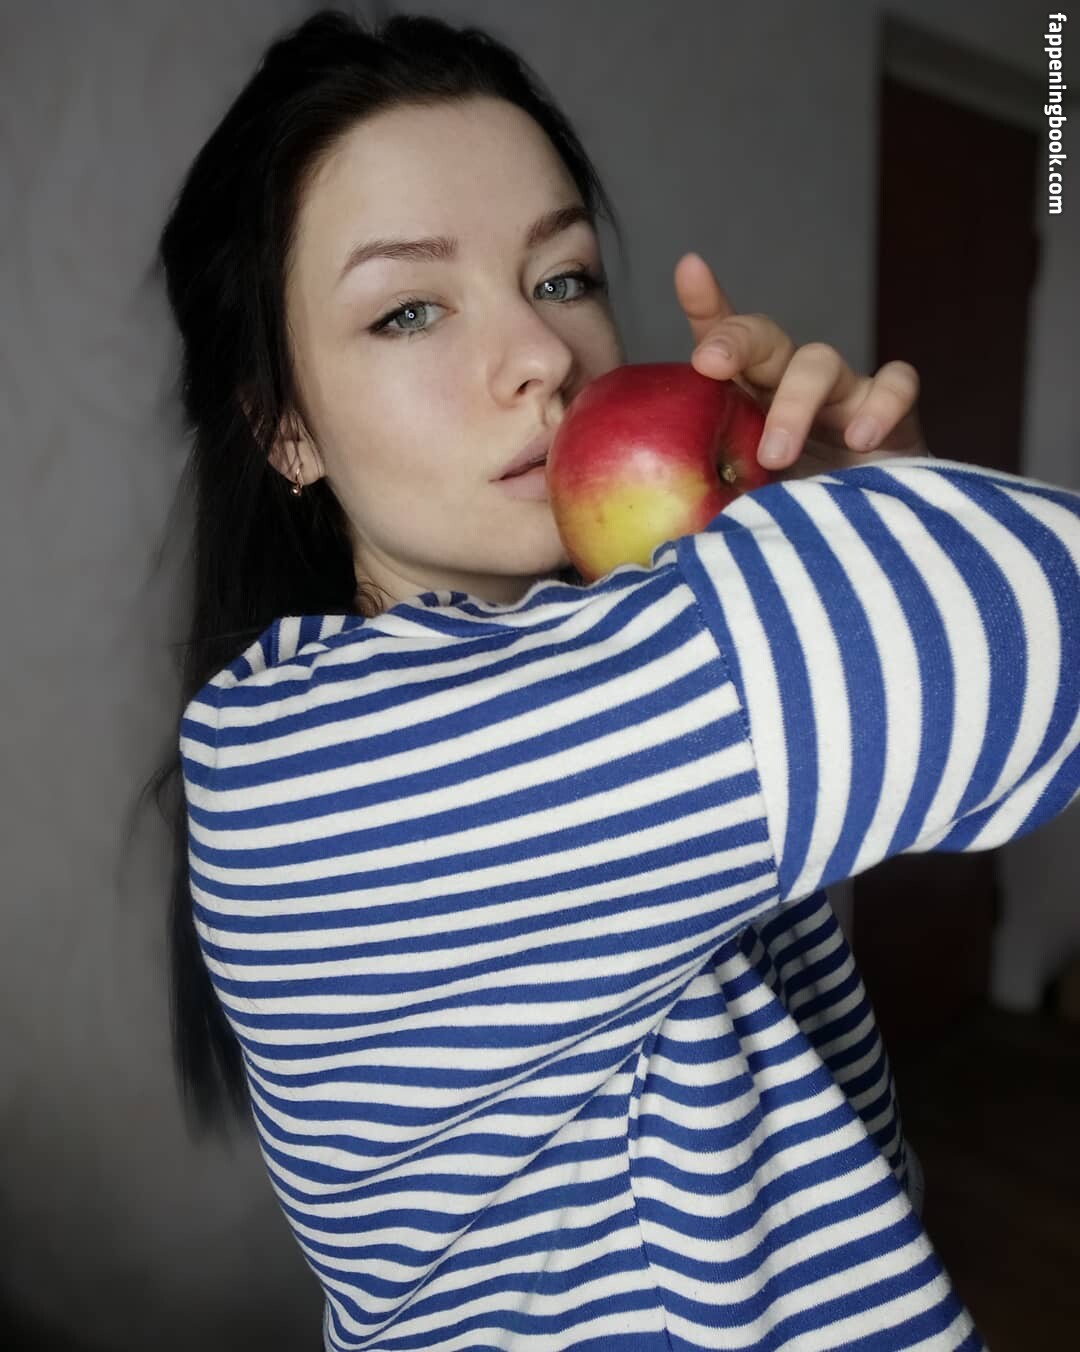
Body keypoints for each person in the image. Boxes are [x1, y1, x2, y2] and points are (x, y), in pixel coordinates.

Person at [141, 8, 1080, 1351]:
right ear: (285, 427)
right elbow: (1032, 620)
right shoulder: (315, 765)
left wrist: (875, 510)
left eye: (563, 276)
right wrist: (894, 529)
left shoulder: (619, 672)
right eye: (409, 309)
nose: (540, 354)